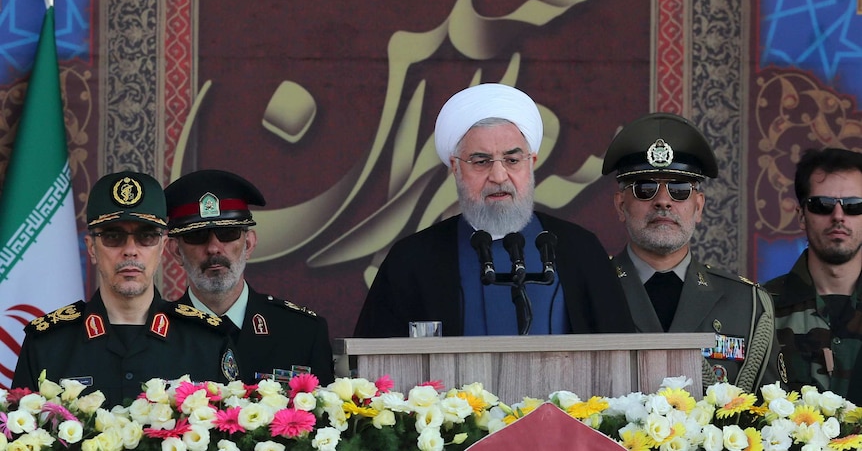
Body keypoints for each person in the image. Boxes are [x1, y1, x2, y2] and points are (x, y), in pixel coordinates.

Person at [354, 83, 636, 337]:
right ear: (455, 167)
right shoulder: (413, 260)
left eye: (512, 160)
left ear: (531, 162)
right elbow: (375, 375)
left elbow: (619, 358)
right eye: (481, 161)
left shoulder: (579, 250)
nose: (499, 176)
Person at [12, 171, 239, 406]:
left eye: (146, 236)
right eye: (113, 236)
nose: (130, 250)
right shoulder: (47, 344)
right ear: (91, 248)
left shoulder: (207, 341)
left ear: (162, 247)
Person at [602, 112, 785, 393]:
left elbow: (772, 419)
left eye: (679, 189)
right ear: (620, 206)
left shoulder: (747, 304)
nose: (663, 201)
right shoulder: (586, 291)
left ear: (698, 206)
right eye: (645, 188)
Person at [164, 169, 335, 385]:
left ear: (249, 244)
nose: (214, 248)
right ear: (176, 251)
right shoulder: (155, 334)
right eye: (197, 236)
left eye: (228, 234)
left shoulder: (303, 332)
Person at [763, 148, 862, 404]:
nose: (838, 216)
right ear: (801, 216)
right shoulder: (760, 309)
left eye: (854, 206)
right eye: (822, 205)